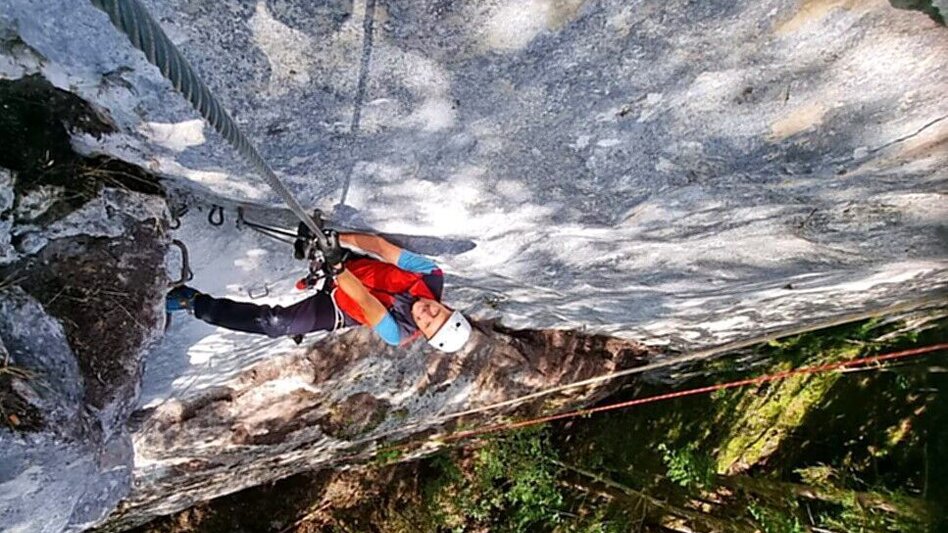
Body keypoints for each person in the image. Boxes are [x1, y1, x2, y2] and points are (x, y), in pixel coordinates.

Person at [166, 231, 472, 353]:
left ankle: (194, 302)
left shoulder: (399, 334)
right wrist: (336, 239)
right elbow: (381, 247)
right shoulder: (431, 275)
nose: (428, 313)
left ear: (424, 334)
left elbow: (366, 302)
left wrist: (335, 268)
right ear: (448, 307)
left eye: (429, 324)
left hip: (343, 306)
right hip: (355, 266)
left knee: (275, 325)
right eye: (440, 312)